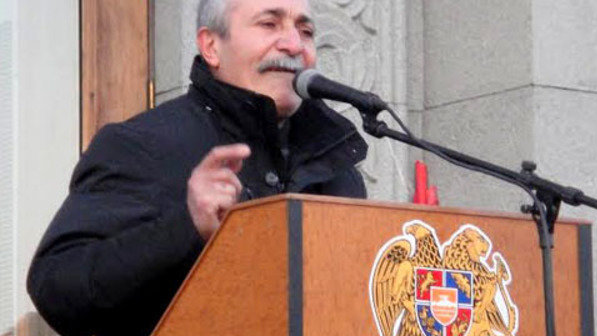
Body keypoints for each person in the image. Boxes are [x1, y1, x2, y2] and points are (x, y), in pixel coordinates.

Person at [27, 0, 367, 335]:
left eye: (305, 31)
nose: (294, 44)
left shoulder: (336, 164)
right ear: (211, 46)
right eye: (269, 24)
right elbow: (56, 287)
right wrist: (185, 226)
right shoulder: (143, 144)